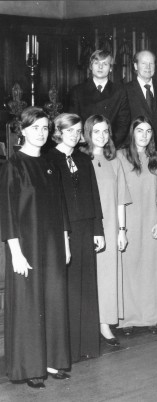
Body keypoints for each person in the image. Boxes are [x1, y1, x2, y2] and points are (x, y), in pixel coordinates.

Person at [0, 107, 71, 388]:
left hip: (53, 244)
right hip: (25, 245)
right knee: (29, 304)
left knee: (53, 299)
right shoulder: (13, 165)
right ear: (23, 131)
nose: (40, 133)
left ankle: (53, 360)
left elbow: (61, 205)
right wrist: (15, 252)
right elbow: (7, 213)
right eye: (35, 128)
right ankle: (30, 367)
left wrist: (65, 242)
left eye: (45, 128)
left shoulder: (51, 163)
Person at [45, 113, 104, 363]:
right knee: (66, 288)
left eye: (79, 131)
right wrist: (62, 233)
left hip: (85, 229)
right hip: (62, 230)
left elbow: (93, 195)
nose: (75, 135)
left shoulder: (83, 158)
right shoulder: (49, 159)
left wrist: (98, 230)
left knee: (86, 287)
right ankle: (65, 349)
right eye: (70, 130)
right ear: (58, 131)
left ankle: (86, 345)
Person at [81, 115, 132, 346]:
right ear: (87, 134)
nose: (101, 136)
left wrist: (122, 230)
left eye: (105, 131)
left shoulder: (115, 160)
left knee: (108, 276)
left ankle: (104, 323)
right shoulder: (82, 160)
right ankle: (87, 323)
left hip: (111, 225)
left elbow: (121, 199)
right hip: (89, 226)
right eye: (96, 132)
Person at [117, 116, 157, 335]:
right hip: (128, 219)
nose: (144, 135)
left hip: (151, 219)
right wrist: (121, 227)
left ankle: (149, 317)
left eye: (148, 131)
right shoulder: (120, 156)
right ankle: (128, 319)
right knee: (129, 269)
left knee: (150, 267)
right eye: (140, 130)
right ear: (132, 132)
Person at [69, 49, 130, 147]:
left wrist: (110, 143)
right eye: (96, 63)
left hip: (110, 145)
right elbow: (74, 119)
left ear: (110, 68)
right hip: (85, 145)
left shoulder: (120, 91)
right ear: (90, 66)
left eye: (105, 64)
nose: (100, 67)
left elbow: (123, 123)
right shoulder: (77, 91)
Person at [125, 50, 157, 154]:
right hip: (134, 151)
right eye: (144, 63)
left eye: (151, 63)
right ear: (135, 66)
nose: (148, 67)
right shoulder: (125, 91)